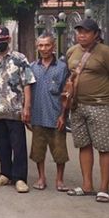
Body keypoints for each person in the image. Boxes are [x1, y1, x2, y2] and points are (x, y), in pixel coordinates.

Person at [64, 18, 109, 203]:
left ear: (96, 34)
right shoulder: (71, 51)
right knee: (83, 145)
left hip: (100, 104)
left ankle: (104, 188)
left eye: (86, 32)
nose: (81, 35)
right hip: (77, 105)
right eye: (79, 31)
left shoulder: (105, 53)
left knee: (105, 147)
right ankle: (87, 185)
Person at [0, 26, 35, 193]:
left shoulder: (19, 59)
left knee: (18, 145)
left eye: (3, 40)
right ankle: (5, 174)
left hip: (15, 110)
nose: (0, 43)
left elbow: (27, 83)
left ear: (9, 40)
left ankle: (20, 178)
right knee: (1, 145)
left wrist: (27, 108)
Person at [29, 32, 69, 192]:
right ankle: (41, 177)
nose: (44, 48)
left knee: (59, 151)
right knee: (38, 151)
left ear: (53, 46)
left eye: (47, 45)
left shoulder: (62, 68)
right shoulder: (32, 67)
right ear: (37, 47)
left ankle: (60, 180)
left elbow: (66, 94)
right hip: (37, 116)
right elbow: (27, 92)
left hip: (55, 116)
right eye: (40, 45)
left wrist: (63, 115)